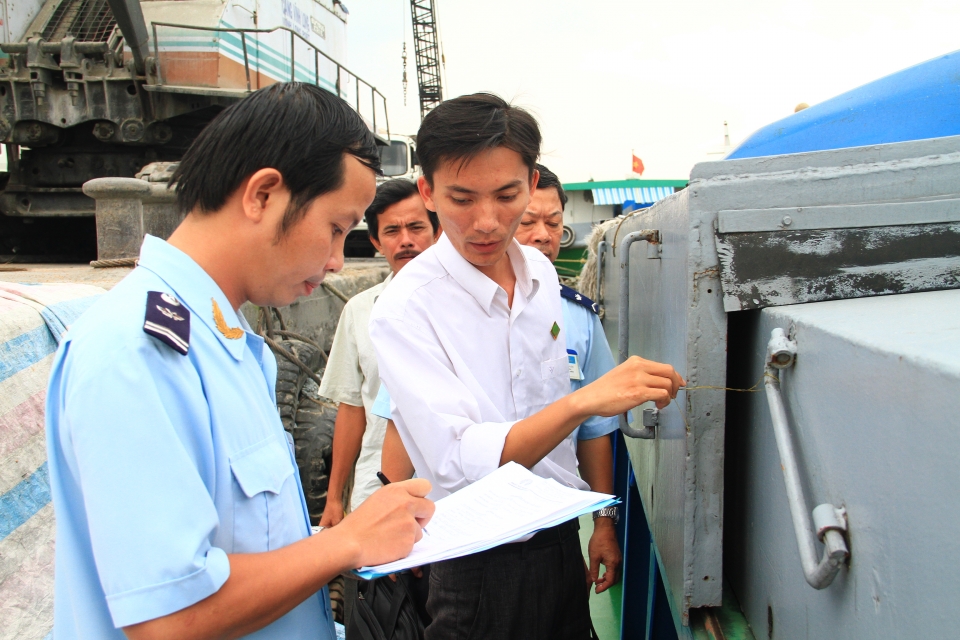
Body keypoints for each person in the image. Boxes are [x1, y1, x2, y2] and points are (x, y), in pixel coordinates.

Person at [44, 83, 434, 640]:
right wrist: (347, 541)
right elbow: (169, 617)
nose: (335, 261)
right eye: (335, 227)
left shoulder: (226, 341)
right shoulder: (135, 352)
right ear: (263, 195)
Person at [369, 93, 683, 639]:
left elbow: (555, 421)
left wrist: (599, 521)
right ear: (428, 191)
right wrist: (586, 399)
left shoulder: (538, 273)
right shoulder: (406, 308)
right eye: (462, 198)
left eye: (508, 195)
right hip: (477, 563)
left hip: (559, 540)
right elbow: (459, 459)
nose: (487, 222)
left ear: (531, 182)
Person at [511, 162, 622, 593]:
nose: (543, 234)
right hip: (470, 527)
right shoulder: (450, 312)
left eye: (554, 223)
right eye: (528, 222)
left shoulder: (579, 318)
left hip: (555, 525)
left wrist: (604, 524)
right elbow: (402, 425)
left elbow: (596, 429)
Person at [319, 179, 441, 529]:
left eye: (416, 227)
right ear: (375, 241)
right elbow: (352, 408)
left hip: (447, 491)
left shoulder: (464, 308)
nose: (406, 240)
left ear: (437, 230)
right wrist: (333, 497)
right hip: (376, 492)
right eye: (392, 230)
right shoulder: (360, 311)